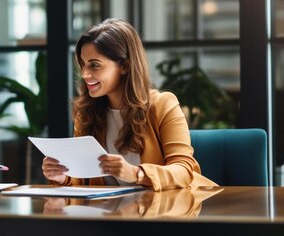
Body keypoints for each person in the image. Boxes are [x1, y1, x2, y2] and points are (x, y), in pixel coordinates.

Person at [41, 18, 218, 191]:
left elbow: (184, 170)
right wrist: (63, 177)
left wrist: (135, 174)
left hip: (172, 210)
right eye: (83, 64)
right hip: (116, 213)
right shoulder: (87, 114)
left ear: (125, 66)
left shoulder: (163, 104)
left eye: (95, 65)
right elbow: (85, 181)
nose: (85, 74)